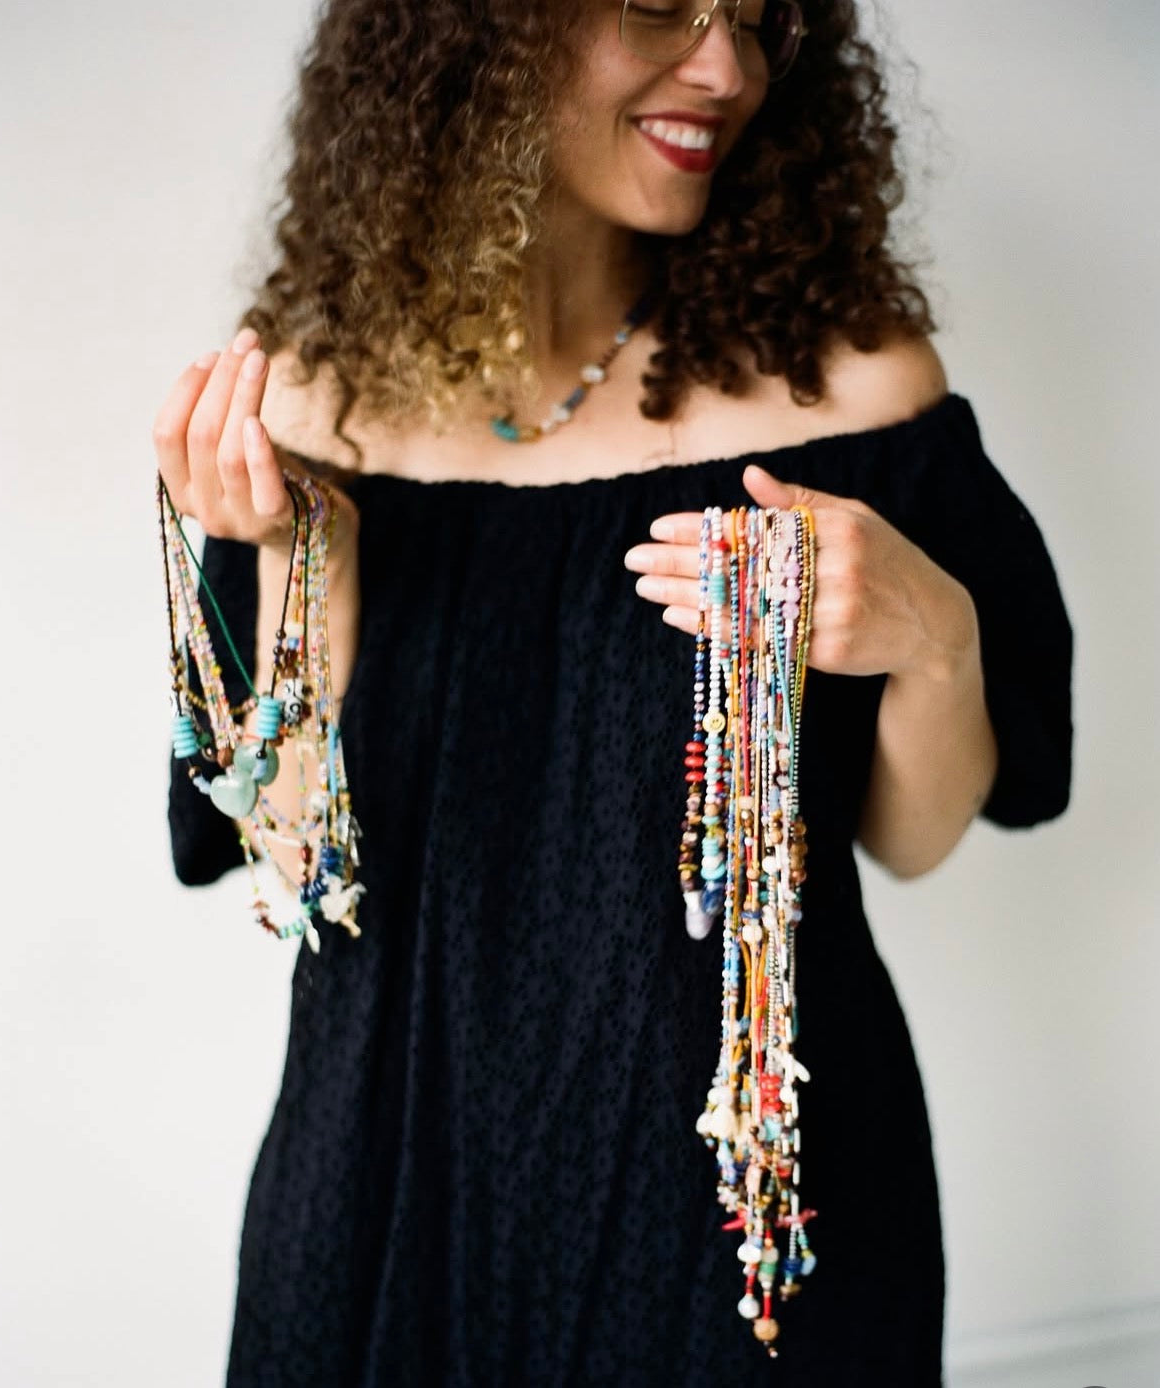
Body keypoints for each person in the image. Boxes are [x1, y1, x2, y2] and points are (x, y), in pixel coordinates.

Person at [156, 1, 1074, 1383]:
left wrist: (936, 640)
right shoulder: (309, 407)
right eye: (658, 6)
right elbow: (295, 871)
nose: (725, 68)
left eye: (756, 18)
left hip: (742, 1224)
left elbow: (912, 837)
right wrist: (295, 557)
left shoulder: (846, 391)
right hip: (390, 1187)